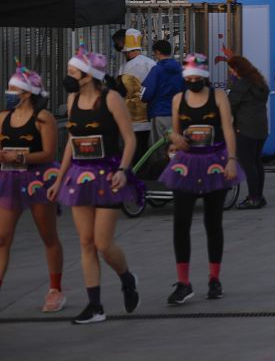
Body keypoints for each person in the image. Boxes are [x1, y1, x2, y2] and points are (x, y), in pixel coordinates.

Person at [49, 46, 141, 324]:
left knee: (102, 242)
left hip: (107, 174)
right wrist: (60, 177)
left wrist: (124, 170)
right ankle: (95, 306)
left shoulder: (111, 99)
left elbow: (130, 138)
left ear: (88, 75)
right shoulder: (73, 98)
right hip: (80, 175)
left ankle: (127, 277)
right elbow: (71, 145)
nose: (68, 76)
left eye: (72, 71)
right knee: (85, 242)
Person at [159, 54, 239, 305]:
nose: (192, 81)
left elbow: (228, 128)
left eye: (196, 77)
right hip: (187, 163)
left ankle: (214, 278)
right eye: (189, 77)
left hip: (214, 160)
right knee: (180, 222)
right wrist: (175, 138)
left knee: (212, 222)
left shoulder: (218, 98)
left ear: (204, 76)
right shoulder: (177, 99)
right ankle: (183, 282)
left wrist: (232, 159)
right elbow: (174, 129)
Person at [0, 64, 65, 312]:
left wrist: (18, 157)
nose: (9, 92)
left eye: (13, 88)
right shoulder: (3, 117)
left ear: (26, 92)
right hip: (9, 181)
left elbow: (49, 153)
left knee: (48, 236)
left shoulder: (42, 118)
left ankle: (55, 288)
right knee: (2, 237)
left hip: (37, 180)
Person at [227, 56, 271, 209]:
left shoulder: (242, 85)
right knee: (256, 162)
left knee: (248, 163)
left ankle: (253, 198)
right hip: (261, 128)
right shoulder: (259, 82)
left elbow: (229, 105)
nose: (230, 72)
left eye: (231, 69)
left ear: (237, 69)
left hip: (245, 128)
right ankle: (259, 196)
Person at [115, 29, 156, 163]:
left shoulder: (125, 68)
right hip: (148, 116)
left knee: (132, 150)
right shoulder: (150, 63)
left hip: (129, 117)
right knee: (144, 149)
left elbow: (120, 91)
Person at [141, 40, 184, 143]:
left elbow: (146, 93)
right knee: (176, 146)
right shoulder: (181, 69)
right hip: (179, 114)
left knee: (159, 148)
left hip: (159, 113)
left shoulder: (156, 70)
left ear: (158, 52)